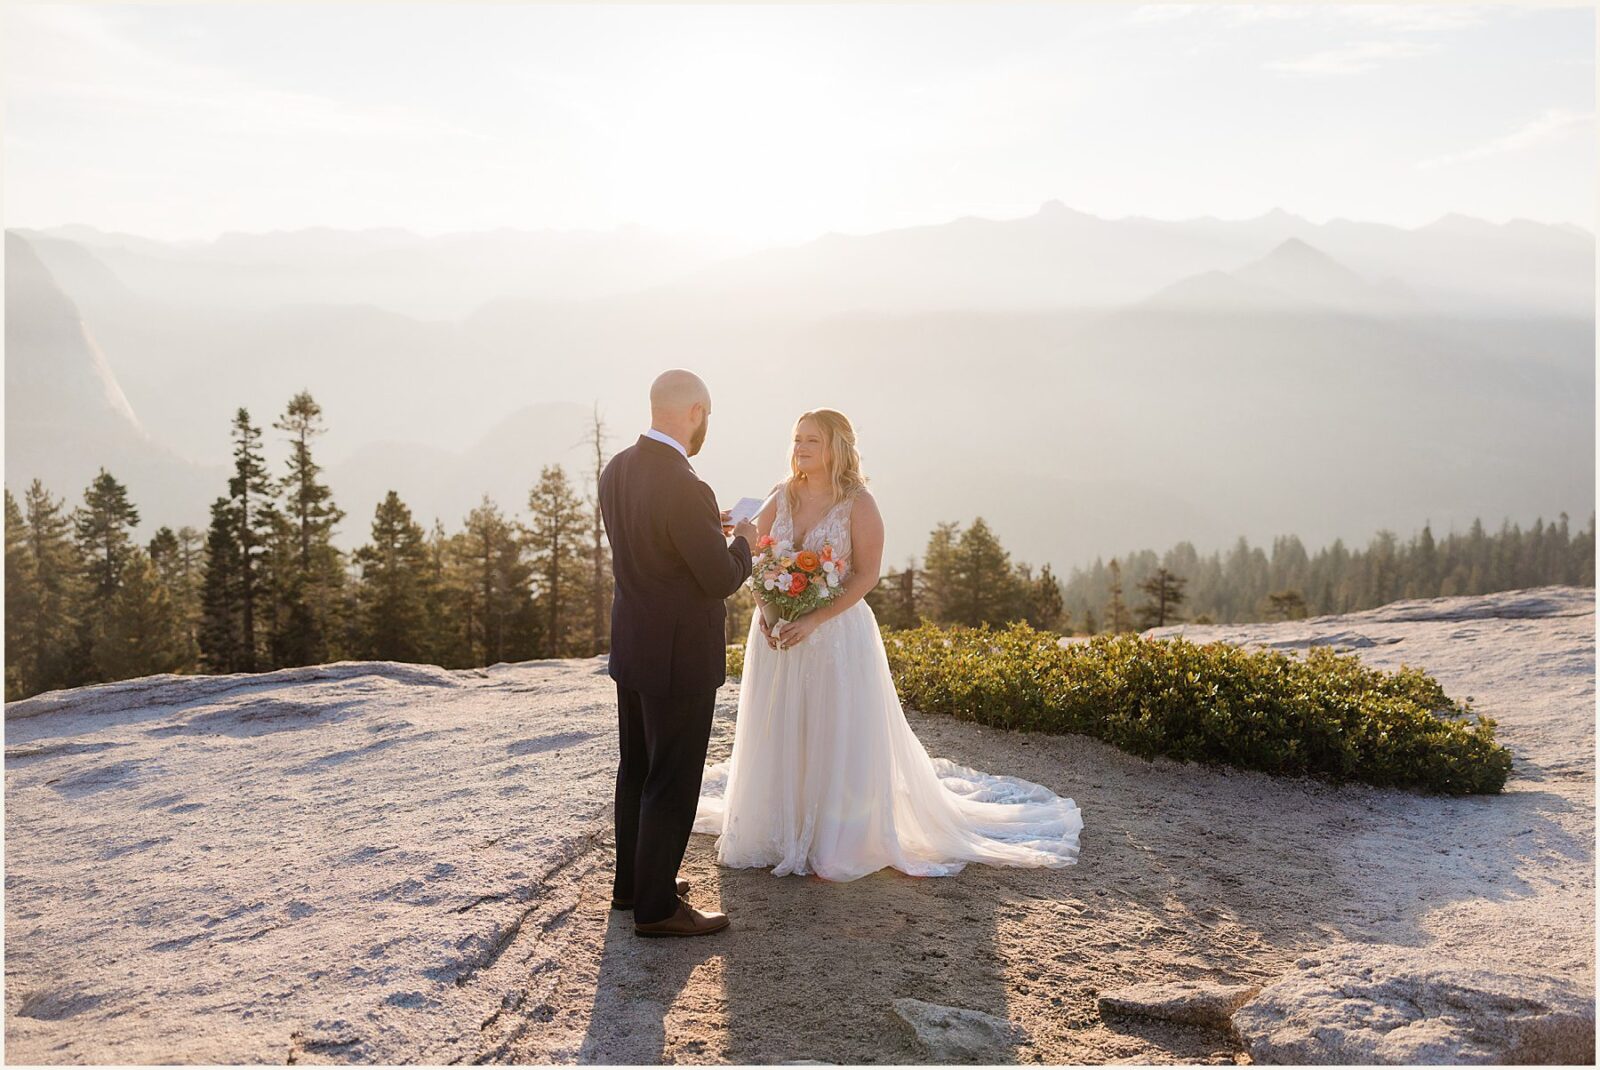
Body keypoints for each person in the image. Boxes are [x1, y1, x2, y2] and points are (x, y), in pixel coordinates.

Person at [694, 408, 1082, 880]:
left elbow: (865, 575)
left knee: (833, 730)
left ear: (836, 447)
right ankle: (778, 828)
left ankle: (835, 836)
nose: (800, 448)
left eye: (812, 440)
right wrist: (764, 609)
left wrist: (814, 618)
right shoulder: (782, 494)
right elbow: (753, 552)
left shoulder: (859, 503)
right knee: (784, 727)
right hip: (780, 636)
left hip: (834, 635)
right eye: (797, 439)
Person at [599, 369, 756, 936]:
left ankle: (634, 887)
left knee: (637, 768)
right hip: (679, 655)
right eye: (707, 415)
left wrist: (702, 531)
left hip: (634, 645)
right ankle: (658, 909)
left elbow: (648, 543)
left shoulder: (617, 468)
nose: (706, 425)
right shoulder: (686, 485)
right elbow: (718, 579)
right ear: (694, 411)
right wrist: (744, 543)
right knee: (674, 776)